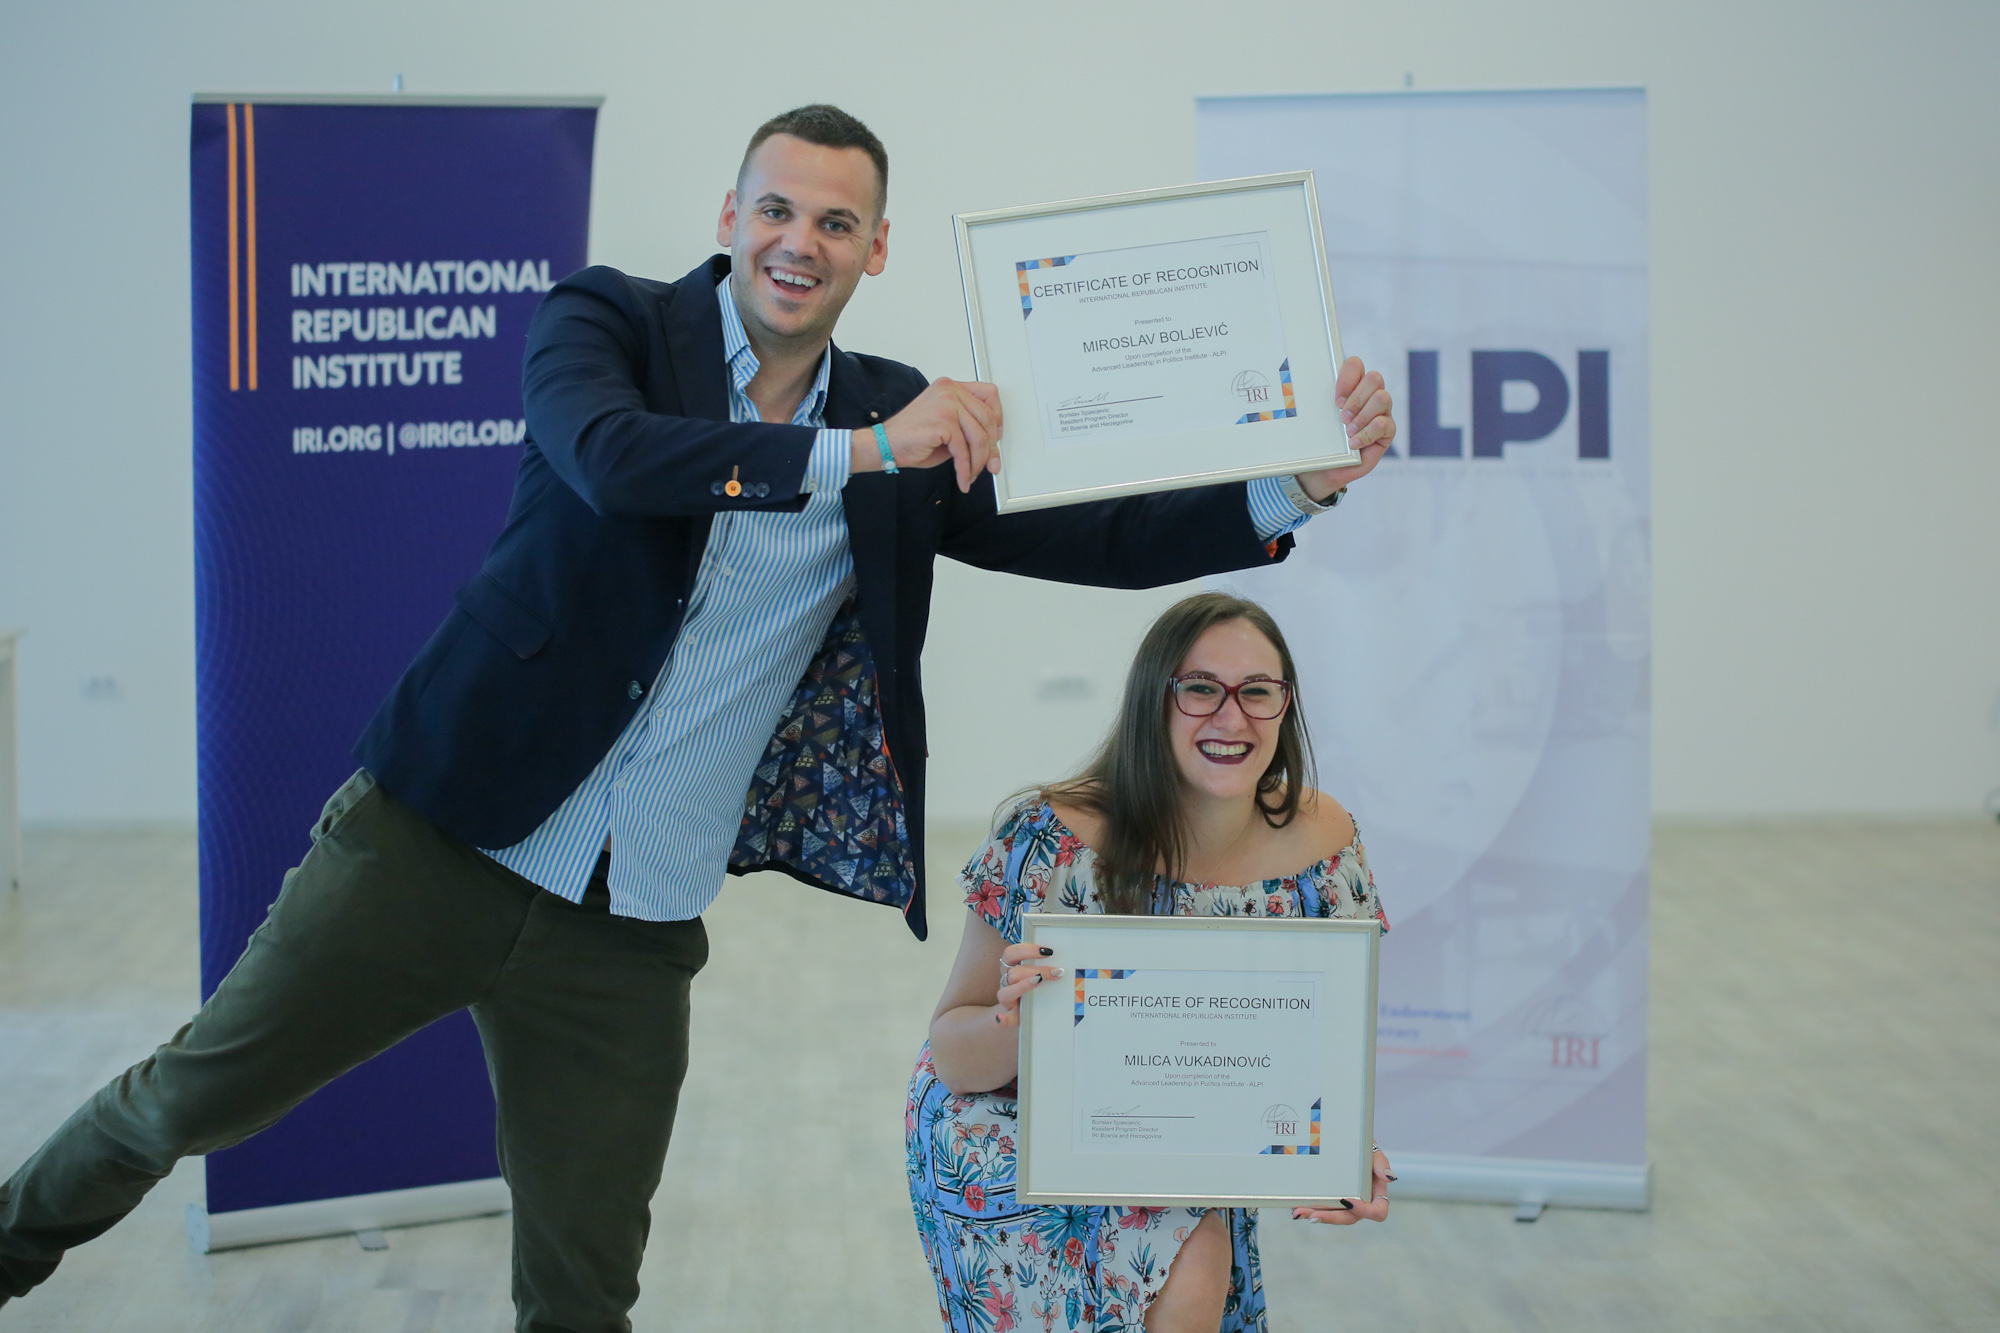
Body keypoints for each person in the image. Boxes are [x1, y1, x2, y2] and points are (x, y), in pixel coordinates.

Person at [0, 106, 1396, 1329]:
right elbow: (614, 465)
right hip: (437, 840)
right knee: (189, 1101)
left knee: (585, 1284)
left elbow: (1088, 533)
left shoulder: (896, 412)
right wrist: (855, 453)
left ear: (877, 251)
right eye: (777, 208)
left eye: (837, 222)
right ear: (728, 216)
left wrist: (1296, 488)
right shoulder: (607, 323)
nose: (802, 239)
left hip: (634, 918)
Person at [907, 592, 1393, 1333]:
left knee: (1191, 1249)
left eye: (1257, 692)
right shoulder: (1051, 835)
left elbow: (1322, 1050)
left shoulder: (1325, 841)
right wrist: (1029, 1021)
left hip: (1183, 1126)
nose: (1231, 718)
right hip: (1011, 1121)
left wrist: (1349, 1151)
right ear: (1153, 702)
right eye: (1200, 688)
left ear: (1284, 705)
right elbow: (954, 1052)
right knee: (1191, 1256)